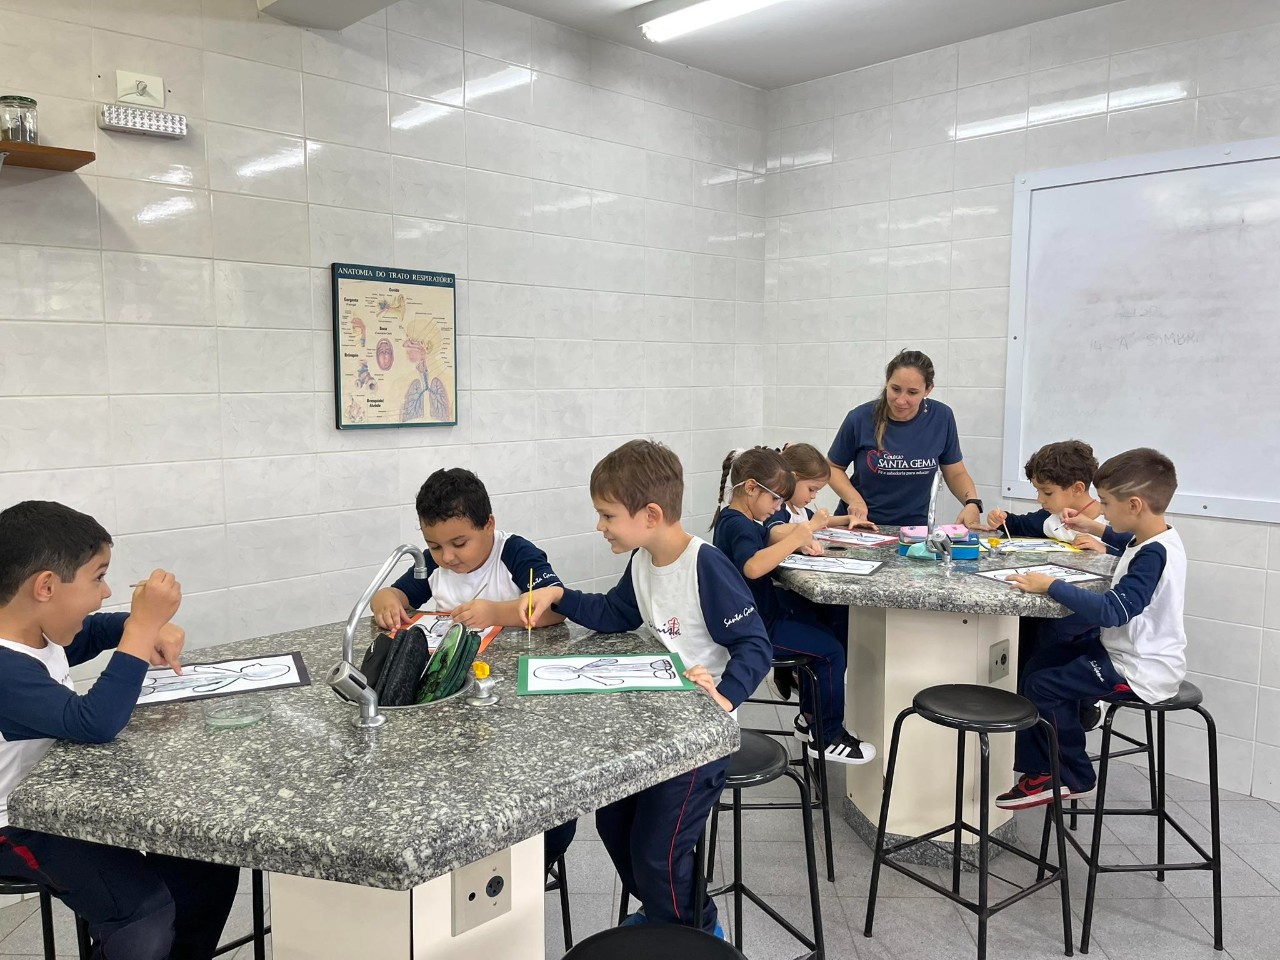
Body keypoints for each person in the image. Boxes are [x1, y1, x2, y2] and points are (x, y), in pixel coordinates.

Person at [522, 440, 772, 937]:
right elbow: (616, 612)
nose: (600, 526)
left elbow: (755, 644)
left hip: (700, 739)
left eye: (607, 515)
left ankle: (698, 931)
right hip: (656, 729)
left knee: (659, 851)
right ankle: (664, 912)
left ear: (651, 514)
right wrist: (560, 596)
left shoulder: (706, 565)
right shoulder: (642, 560)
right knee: (613, 822)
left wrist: (724, 696)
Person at [0, 500, 239, 959]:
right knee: (141, 915)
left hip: (59, 798)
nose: (106, 592)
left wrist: (136, 627)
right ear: (46, 587)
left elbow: (89, 634)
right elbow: (93, 722)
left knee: (206, 858)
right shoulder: (4, 666)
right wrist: (143, 625)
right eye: (98, 578)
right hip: (17, 824)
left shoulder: (32, 633)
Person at [369, 468, 575, 862]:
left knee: (530, 802)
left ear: (489, 525)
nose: (447, 557)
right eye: (434, 546)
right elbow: (393, 593)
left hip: (514, 707)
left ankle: (532, 857)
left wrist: (495, 612)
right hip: (453, 705)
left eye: (459, 543)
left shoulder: (515, 553)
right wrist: (387, 601)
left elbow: (555, 608)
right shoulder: (435, 566)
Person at [995, 449, 1186, 809]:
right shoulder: (1153, 538)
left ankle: (1073, 775)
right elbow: (1122, 541)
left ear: (1134, 505)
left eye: (1107, 503)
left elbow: (1113, 611)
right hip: (1122, 652)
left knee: (1044, 684)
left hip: (1140, 669)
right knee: (1039, 663)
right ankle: (1043, 768)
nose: (1103, 510)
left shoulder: (1153, 555)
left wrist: (1050, 585)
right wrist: (1093, 526)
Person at [711, 447, 876, 765]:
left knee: (824, 622)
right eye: (775, 499)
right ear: (751, 488)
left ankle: (811, 717)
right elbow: (753, 567)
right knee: (831, 652)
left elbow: (768, 539)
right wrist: (796, 538)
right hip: (754, 629)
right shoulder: (738, 525)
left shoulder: (737, 519)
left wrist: (806, 533)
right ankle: (827, 736)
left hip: (758, 615)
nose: (777, 507)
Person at [827, 349, 984, 528]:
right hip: (861, 525)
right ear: (887, 382)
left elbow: (955, 472)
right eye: (895, 389)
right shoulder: (860, 418)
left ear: (928, 390)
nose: (901, 400)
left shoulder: (942, 417)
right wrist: (855, 501)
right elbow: (833, 467)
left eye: (912, 392)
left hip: (914, 530)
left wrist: (972, 502)